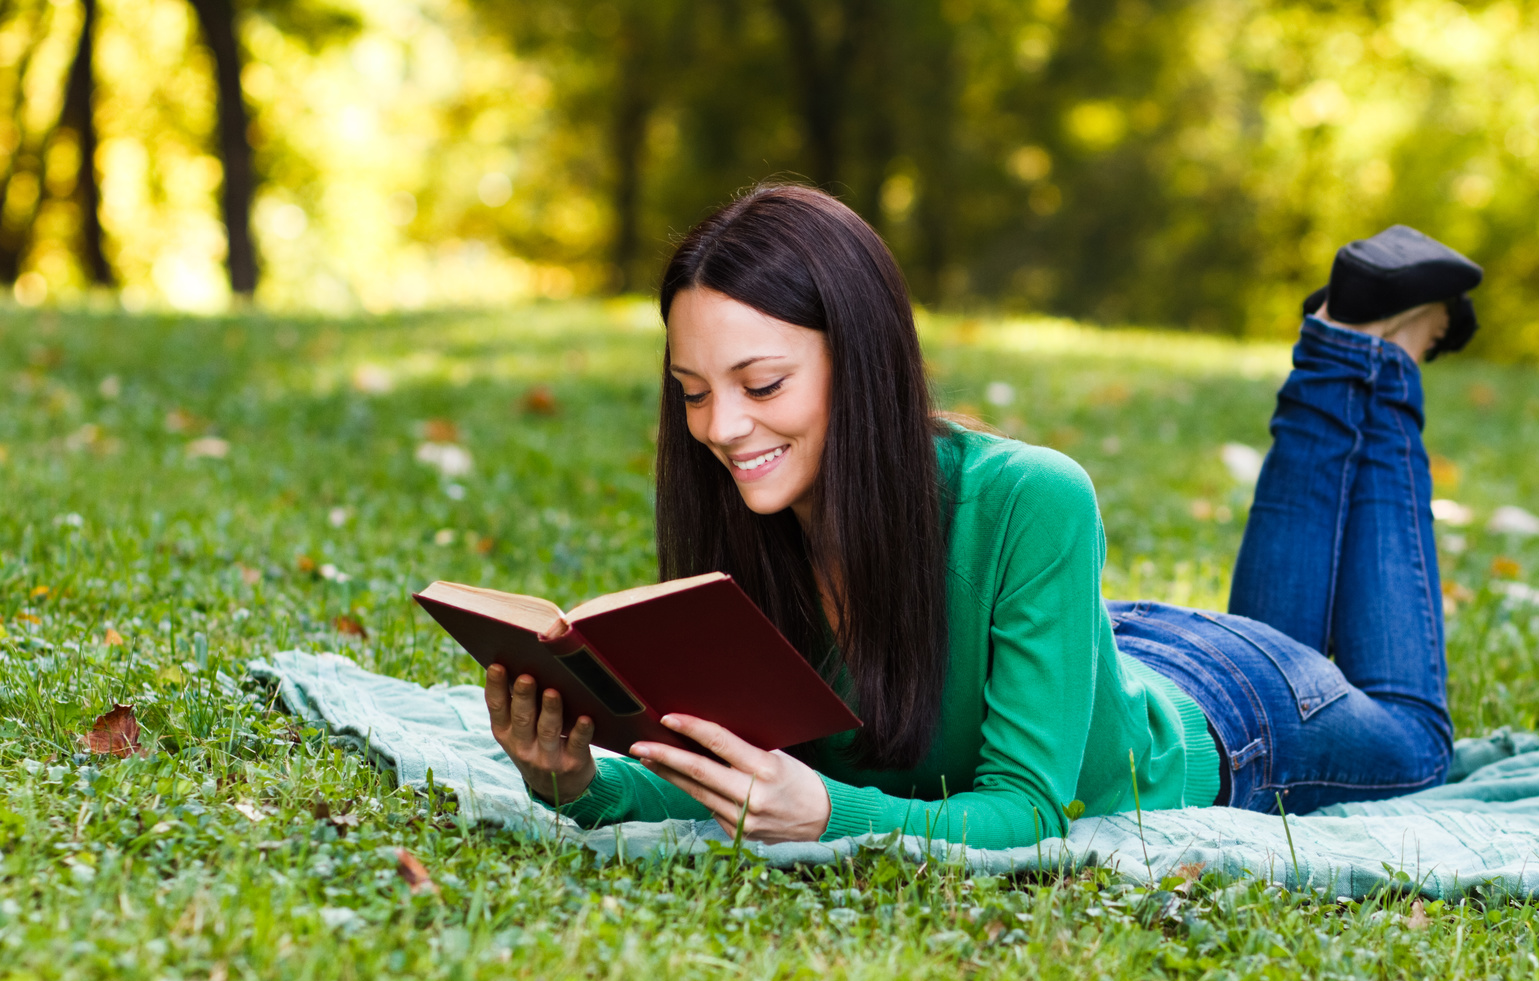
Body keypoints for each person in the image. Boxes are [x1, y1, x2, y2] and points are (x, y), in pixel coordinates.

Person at [482, 185, 1484, 848]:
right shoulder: (747, 520)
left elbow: (1028, 809)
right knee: (1296, 635)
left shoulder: (1029, 496)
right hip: (1095, 658)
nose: (721, 427)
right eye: (692, 391)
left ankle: (1368, 355)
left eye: (761, 382)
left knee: (1411, 743)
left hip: (1236, 724)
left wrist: (832, 814)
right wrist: (580, 784)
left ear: (859, 359)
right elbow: (747, 774)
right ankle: (1343, 340)